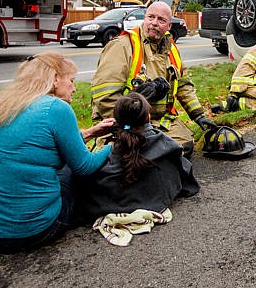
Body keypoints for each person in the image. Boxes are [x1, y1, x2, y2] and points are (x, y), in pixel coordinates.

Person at [0, 53, 115, 254]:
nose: (74, 88)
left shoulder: (2, 105)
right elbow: (84, 166)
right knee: (70, 173)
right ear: (55, 79)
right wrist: (113, 145)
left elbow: (36, 146)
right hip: (27, 232)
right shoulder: (56, 108)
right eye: (71, 80)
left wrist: (90, 133)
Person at [90, 2, 216, 156]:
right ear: (144, 18)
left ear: (169, 26)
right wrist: (131, 120)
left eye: (161, 20)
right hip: (124, 123)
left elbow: (183, 85)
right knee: (135, 157)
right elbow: (105, 97)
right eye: (151, 17)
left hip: (159, 121)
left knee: (183, 147)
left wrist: (198, 115)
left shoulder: (171, 50)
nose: (154, 23)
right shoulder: (122, 46)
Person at [76, 93, 200, 222]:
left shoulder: (108, 155)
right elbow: (187, 177)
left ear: (116, 121)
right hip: (157, 204)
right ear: (148, 117)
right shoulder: (166, 146)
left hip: (105, 207)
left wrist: (89, 134)